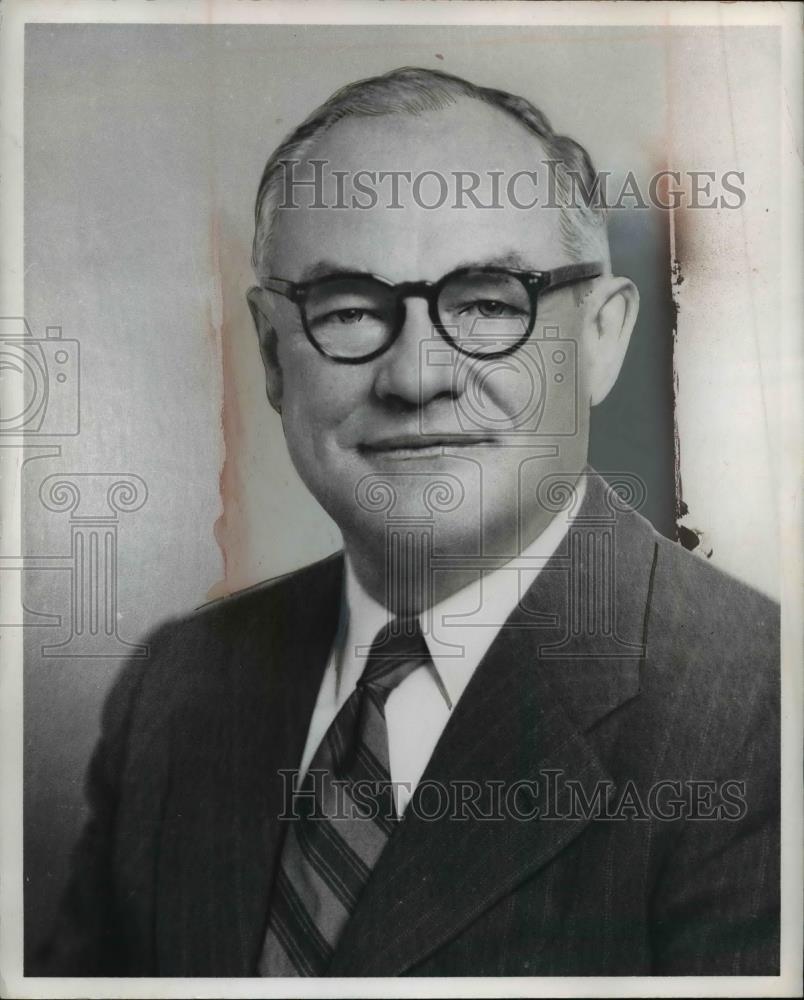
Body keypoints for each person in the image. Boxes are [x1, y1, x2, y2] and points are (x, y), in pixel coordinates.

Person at [38, 67, 779, 978]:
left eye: (487, 304)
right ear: (274, 355)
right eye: (347, 309)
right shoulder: (177, 686)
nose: (417, 376)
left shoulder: (760, 706)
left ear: (602, 339)